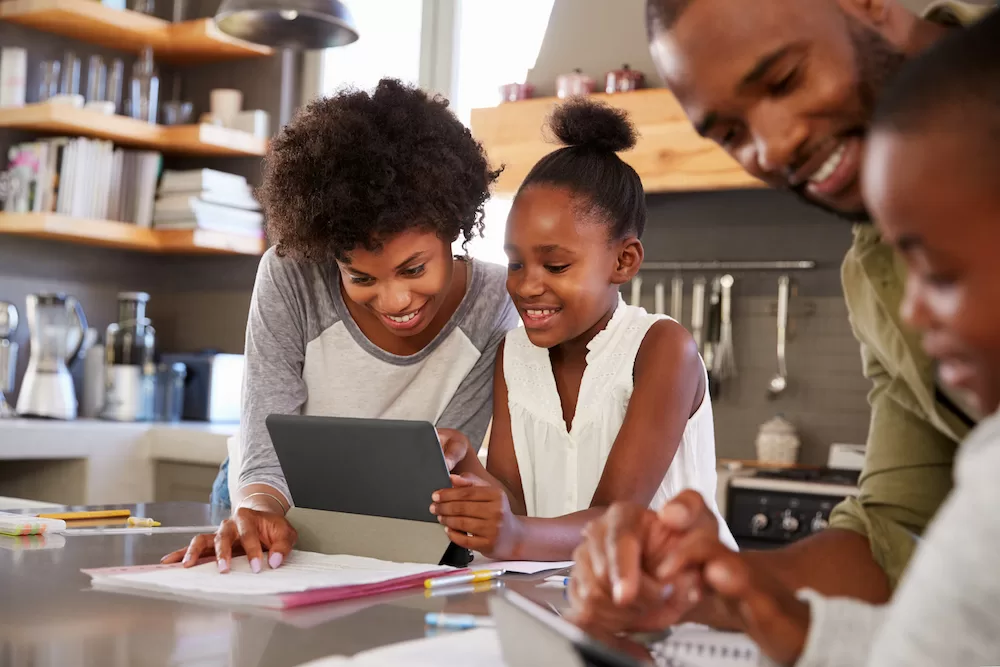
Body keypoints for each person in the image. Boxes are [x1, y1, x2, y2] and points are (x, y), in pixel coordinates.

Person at [571, 12, 1000, 665]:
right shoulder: (870, 273)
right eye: (730, 133)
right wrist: (720, 585)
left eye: (783, 78)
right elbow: (897, 526)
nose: (769, 150)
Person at [163, 78, 519, 572]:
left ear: (454, 227)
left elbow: (439, 472)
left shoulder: (494, 302)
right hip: (265, 498)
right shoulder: (289, 274)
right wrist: (260, 511)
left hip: (393, 517)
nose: (395, 300)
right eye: (360, 276)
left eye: (414, 269)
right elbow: (265, 431)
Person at [426, 99, 735, 561]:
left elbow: (617, 518)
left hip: (682, 605)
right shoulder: (514, 353)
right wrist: (465, 461)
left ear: (623, 261)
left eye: (556, 264)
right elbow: (517, 506)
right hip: (566, 603)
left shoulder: (662, 348)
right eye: (516, 263)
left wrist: (515, 537)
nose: (527, 285)